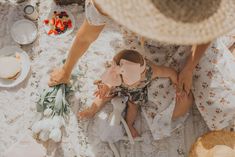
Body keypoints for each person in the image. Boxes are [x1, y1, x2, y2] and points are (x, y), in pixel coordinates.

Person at [49, 0, 235, 138]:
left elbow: (205, 32)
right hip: (146, 52)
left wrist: (189, 68)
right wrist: (66, 71)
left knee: (222, 111)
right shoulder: (109, 3)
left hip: (190, 44)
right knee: (165, 107)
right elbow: (85, 38)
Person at [78, 49, 193, 137]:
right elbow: (110, 81)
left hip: (137, 91)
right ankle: (92, 109)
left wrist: (176, 84)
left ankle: (129, 124)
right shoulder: (116, 73)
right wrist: (106, 87)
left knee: (133, 106)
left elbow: (169, 72)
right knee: (103, 94)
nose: (142, 77)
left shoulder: (150, 71)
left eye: (140, 76)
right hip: (118, 85)